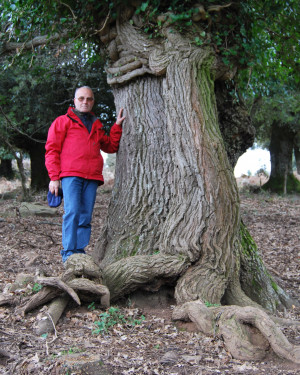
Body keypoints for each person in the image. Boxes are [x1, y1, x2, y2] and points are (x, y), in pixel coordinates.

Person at [45, 86, 125, 262]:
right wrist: (54, 177)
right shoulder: (62, 121)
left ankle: (79, 253)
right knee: (72, 212)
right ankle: (68, 254)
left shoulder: (96, 125)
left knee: (85, 216)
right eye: (81, 98)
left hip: (92, 177)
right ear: (74, 101)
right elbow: (52, 150)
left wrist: (117, 126)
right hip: (70, 175)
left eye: (89, 99)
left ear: (93, 102)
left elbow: (110, 146)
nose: (85, 102)